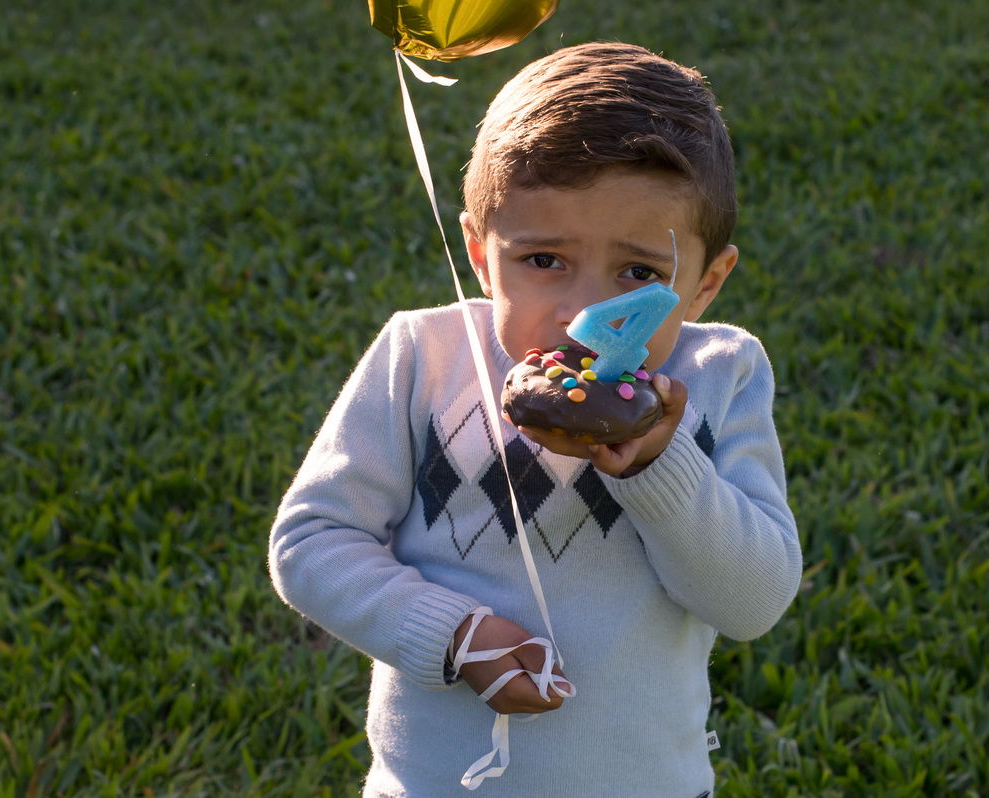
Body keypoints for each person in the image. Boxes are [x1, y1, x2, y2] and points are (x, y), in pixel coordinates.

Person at [269, 41, 802, 797]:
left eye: (640, 275)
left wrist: (661, 467)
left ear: (705, 284)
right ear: (482, 257)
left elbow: (752, 602)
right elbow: (312, 541)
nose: (584, 312)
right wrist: (454, 635)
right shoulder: (424, 361)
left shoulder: (717, 380)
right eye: (544, 260)